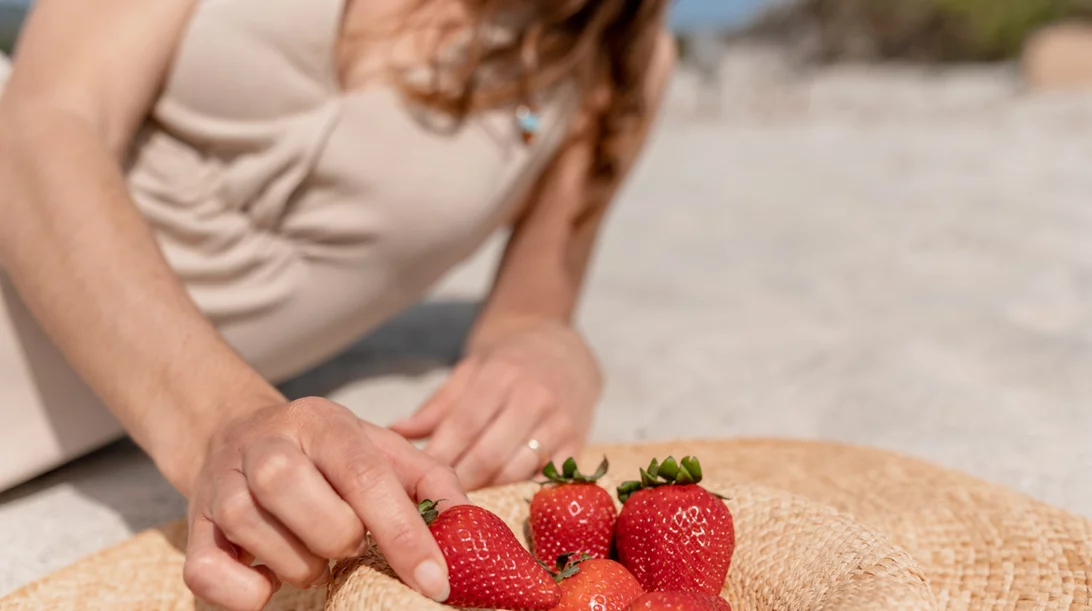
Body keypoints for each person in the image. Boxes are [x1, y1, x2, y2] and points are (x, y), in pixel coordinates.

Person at [0, 0, 675, 608]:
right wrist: (219, 417)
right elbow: (40, 121)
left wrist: (553, 353)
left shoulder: (616, 51)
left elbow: (530, 310)